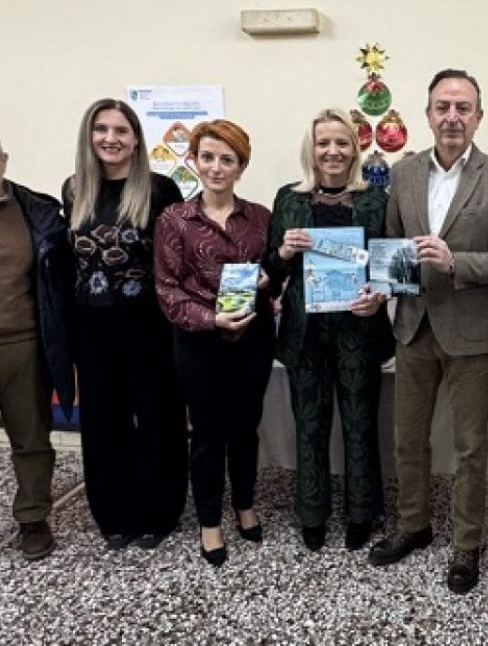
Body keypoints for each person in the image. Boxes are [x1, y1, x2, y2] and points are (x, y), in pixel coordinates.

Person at [367, 68, 488, 594]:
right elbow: (393, 244)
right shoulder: (403, 174)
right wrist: (381, 289)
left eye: (463, 108)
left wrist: (456, 261)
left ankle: (466, 543)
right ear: (428, 115)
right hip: (413, 327)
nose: (452, 117)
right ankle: (413, 524)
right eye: (443, 107)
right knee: (407, 440)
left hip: (474, 333)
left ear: (479, 117)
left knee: (470, 447)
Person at [266, 108, 393, 552]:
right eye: (324, 143)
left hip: (359, 330)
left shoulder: (376, 200)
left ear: (354, 150)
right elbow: (271, 271)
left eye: (342, 143)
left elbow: (391, 265)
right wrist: (284, 252)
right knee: (310, 425)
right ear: (312, 149)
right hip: (306, 334)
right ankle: (312, 513)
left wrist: (379, 296)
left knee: (360, 425)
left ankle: (362, 513)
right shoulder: (289, 199)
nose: (332, 151)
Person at [63, 99, 187, 551]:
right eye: (101, 129)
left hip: (148, 323)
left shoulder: (160, 189)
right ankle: (114, 513)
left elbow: (177, 260)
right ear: (89, 135)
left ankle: (159, 511)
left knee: (158, 416)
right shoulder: (74, 190)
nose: (110, 138)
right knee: (103, 420)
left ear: (136, 139)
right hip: (91, 324)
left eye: (121, 130)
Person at [155, 119, 275, 567]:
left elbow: (274, 273)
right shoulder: (174, 220)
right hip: (199, 342)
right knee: (207, 432)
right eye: (207, 157)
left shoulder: (260, 217)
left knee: (246, 426)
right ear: (194, 161)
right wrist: (211, 318)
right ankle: (209, 521)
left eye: (227, 159)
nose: (216, 167)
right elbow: (167, 289)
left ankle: (244, 503)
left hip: (253, 338)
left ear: (241, 166)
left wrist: (268, 279)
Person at [0, 138, 74, 560]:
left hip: (24, 342)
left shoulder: (37, 212)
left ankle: (32, 516)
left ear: (4, 161)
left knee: (31, 437)